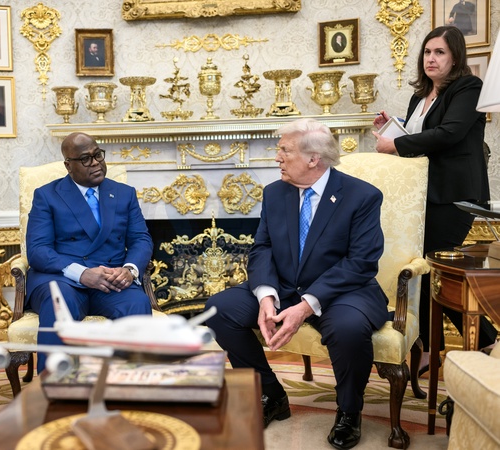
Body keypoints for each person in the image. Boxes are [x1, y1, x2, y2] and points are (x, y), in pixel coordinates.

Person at [205, 118, 388, 450]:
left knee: (348, 328)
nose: (277, 157)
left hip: (342, 291)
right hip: (285, 287)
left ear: (313, 158)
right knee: (220, 309)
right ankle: (271, 394)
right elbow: (262, 248)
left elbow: (361, 262)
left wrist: (306, 306)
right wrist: (266, 295)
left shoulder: (362, 196)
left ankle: (349, 411)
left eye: (285, 151)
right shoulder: (275, 192)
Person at [373, 26, 497, 374]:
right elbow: (421, 139)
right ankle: (432, 347)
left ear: (455, 57)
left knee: (435, 270)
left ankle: (482, 341)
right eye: (427, 52)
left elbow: (449, 133)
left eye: (439, 52)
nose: (431, 58)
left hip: (455, 195)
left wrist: (396, 144)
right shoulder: (420, 97)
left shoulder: (469, 87)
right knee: (423, 272)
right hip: (421, 195)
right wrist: (394, 128)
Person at [25, 132, 154, 372]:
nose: (95, 163)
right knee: (58, 302)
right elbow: (38, 250)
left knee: (137, 302)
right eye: (85, 159)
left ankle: (132, 382)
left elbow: (140, 239)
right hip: (64, 279)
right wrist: (82, 273)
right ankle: (52, 384)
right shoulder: (47, 196)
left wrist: (129, 269)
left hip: (111, 279)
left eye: (98, 155)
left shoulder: (124, 193)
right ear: (68, 166)